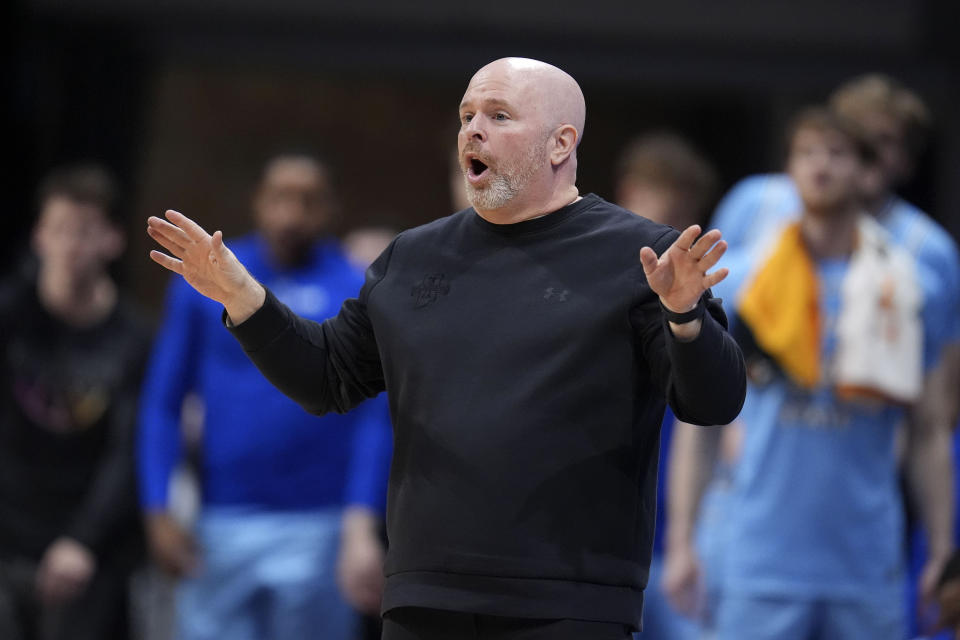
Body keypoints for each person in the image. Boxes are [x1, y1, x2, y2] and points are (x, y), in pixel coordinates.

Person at [145, 57, 746, 639]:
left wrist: (684, 317)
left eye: (499, 115)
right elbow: (326, 376)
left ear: (561, 144)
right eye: (466, 117)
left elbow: (712, 402)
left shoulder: (642, 257)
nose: (473, 131)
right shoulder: (413, 259)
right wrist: (243, 296)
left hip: (569, 599)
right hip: (424, 597)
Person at [684, 107, 952, 640]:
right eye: (807, 154)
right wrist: (681, 543)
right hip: (759, 555)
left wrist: (943, 547)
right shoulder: (746, 285)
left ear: (866, 171)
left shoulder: (909, 285)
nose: (821, 167)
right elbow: (702, 421)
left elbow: (929, 429)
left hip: (865, 559)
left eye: (837, 154)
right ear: (788, 169)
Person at [137, 153, 392, 640]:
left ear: (332, 209)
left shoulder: (355, 286)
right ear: (257, 201)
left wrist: (360, 525)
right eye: (280, 197)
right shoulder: (205, 281)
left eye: (309, 201)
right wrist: (157, 505)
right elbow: (162, 403)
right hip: (220, 521)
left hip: (320, 524)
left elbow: (375, 419)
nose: (292, 214)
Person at [0, 164, 150, 640]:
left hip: (87, 550)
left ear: (112, 240)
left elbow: (129, 450)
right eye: (59, 229)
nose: (70, 245)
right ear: (39, 237)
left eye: (84, 232)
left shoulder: (134, 338)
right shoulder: (9, 317)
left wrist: (84, 539)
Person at [613, 131, 719, 640]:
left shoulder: (708, 291)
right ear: (630, 192)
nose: (674, 220)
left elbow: (710, 423)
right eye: (662, 197)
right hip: (605, 538)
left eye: (686, 206)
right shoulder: (596, 280)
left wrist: (686, 541)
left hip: (685, 533)